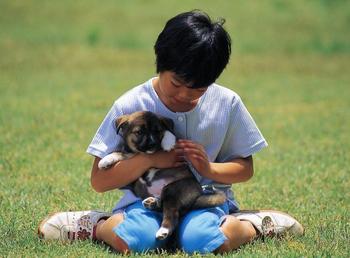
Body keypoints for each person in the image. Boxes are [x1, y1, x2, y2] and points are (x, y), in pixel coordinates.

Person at [38, 10, 304, 254]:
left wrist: (208, 168)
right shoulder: (131, 106)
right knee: (133, 242)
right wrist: (150, 160)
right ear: (160, 63)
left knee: (203, 243)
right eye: (176, 83)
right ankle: (96, 225)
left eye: (199, 90)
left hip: (204, 200)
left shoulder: (227, 103)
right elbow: (99, 180)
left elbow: (245, 168)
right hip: (144, 203)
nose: (185, 96)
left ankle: (253, 224)